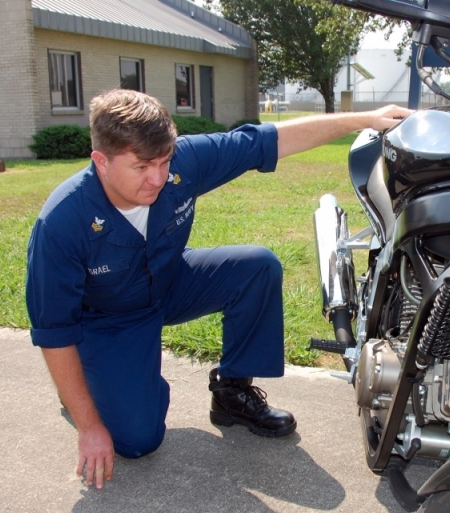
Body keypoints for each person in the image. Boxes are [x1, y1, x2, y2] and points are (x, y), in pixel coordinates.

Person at [26, 89, 411, 489]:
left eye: (163, 161)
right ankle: (94, 388)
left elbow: (270, 140)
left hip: (170, 281)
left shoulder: (184, 161)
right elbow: (54, 332)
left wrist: (364, 119)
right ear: (100, 161)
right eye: (141, 167)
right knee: (138, 441)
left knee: (256, 267)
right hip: (109, 319)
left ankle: (232, 393)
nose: (157, 178)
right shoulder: (62, 222)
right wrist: (89, 425)